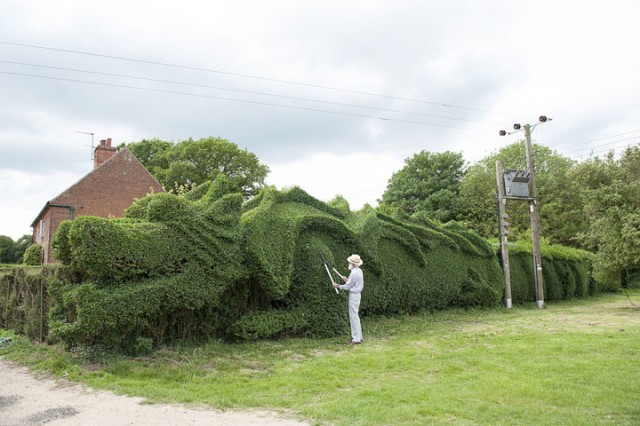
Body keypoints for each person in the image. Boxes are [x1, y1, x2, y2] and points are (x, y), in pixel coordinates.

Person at [333, 254, 364, 345]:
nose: (349, 263)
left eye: (350, 262)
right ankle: (359, 337)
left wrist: (337, 286)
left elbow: (347, 287)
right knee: (355, 316)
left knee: (353, 317)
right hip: (357, 295)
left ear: (353, 263)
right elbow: (352, 283)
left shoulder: (354, 272)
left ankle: (356, 339)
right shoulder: (359, 271)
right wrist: (347, 279)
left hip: (354, 296)